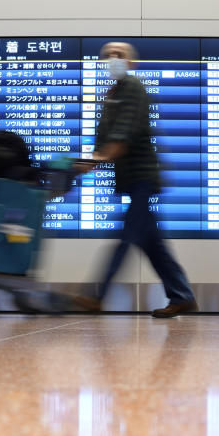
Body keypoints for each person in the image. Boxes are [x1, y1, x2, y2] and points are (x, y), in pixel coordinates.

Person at [78, 42, 198, 318]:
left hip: (142, 176)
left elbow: (122, 138)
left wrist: (97, 159)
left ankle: (97, 295)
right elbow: (102, 143)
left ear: (131, 62)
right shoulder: (110, 96)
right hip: (130, 179)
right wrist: (83, 164)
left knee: (125, 236)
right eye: (108, 55)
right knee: (152, 243)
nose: (113, 59)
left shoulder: (132, 88)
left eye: (119, 55)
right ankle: (182, 296)